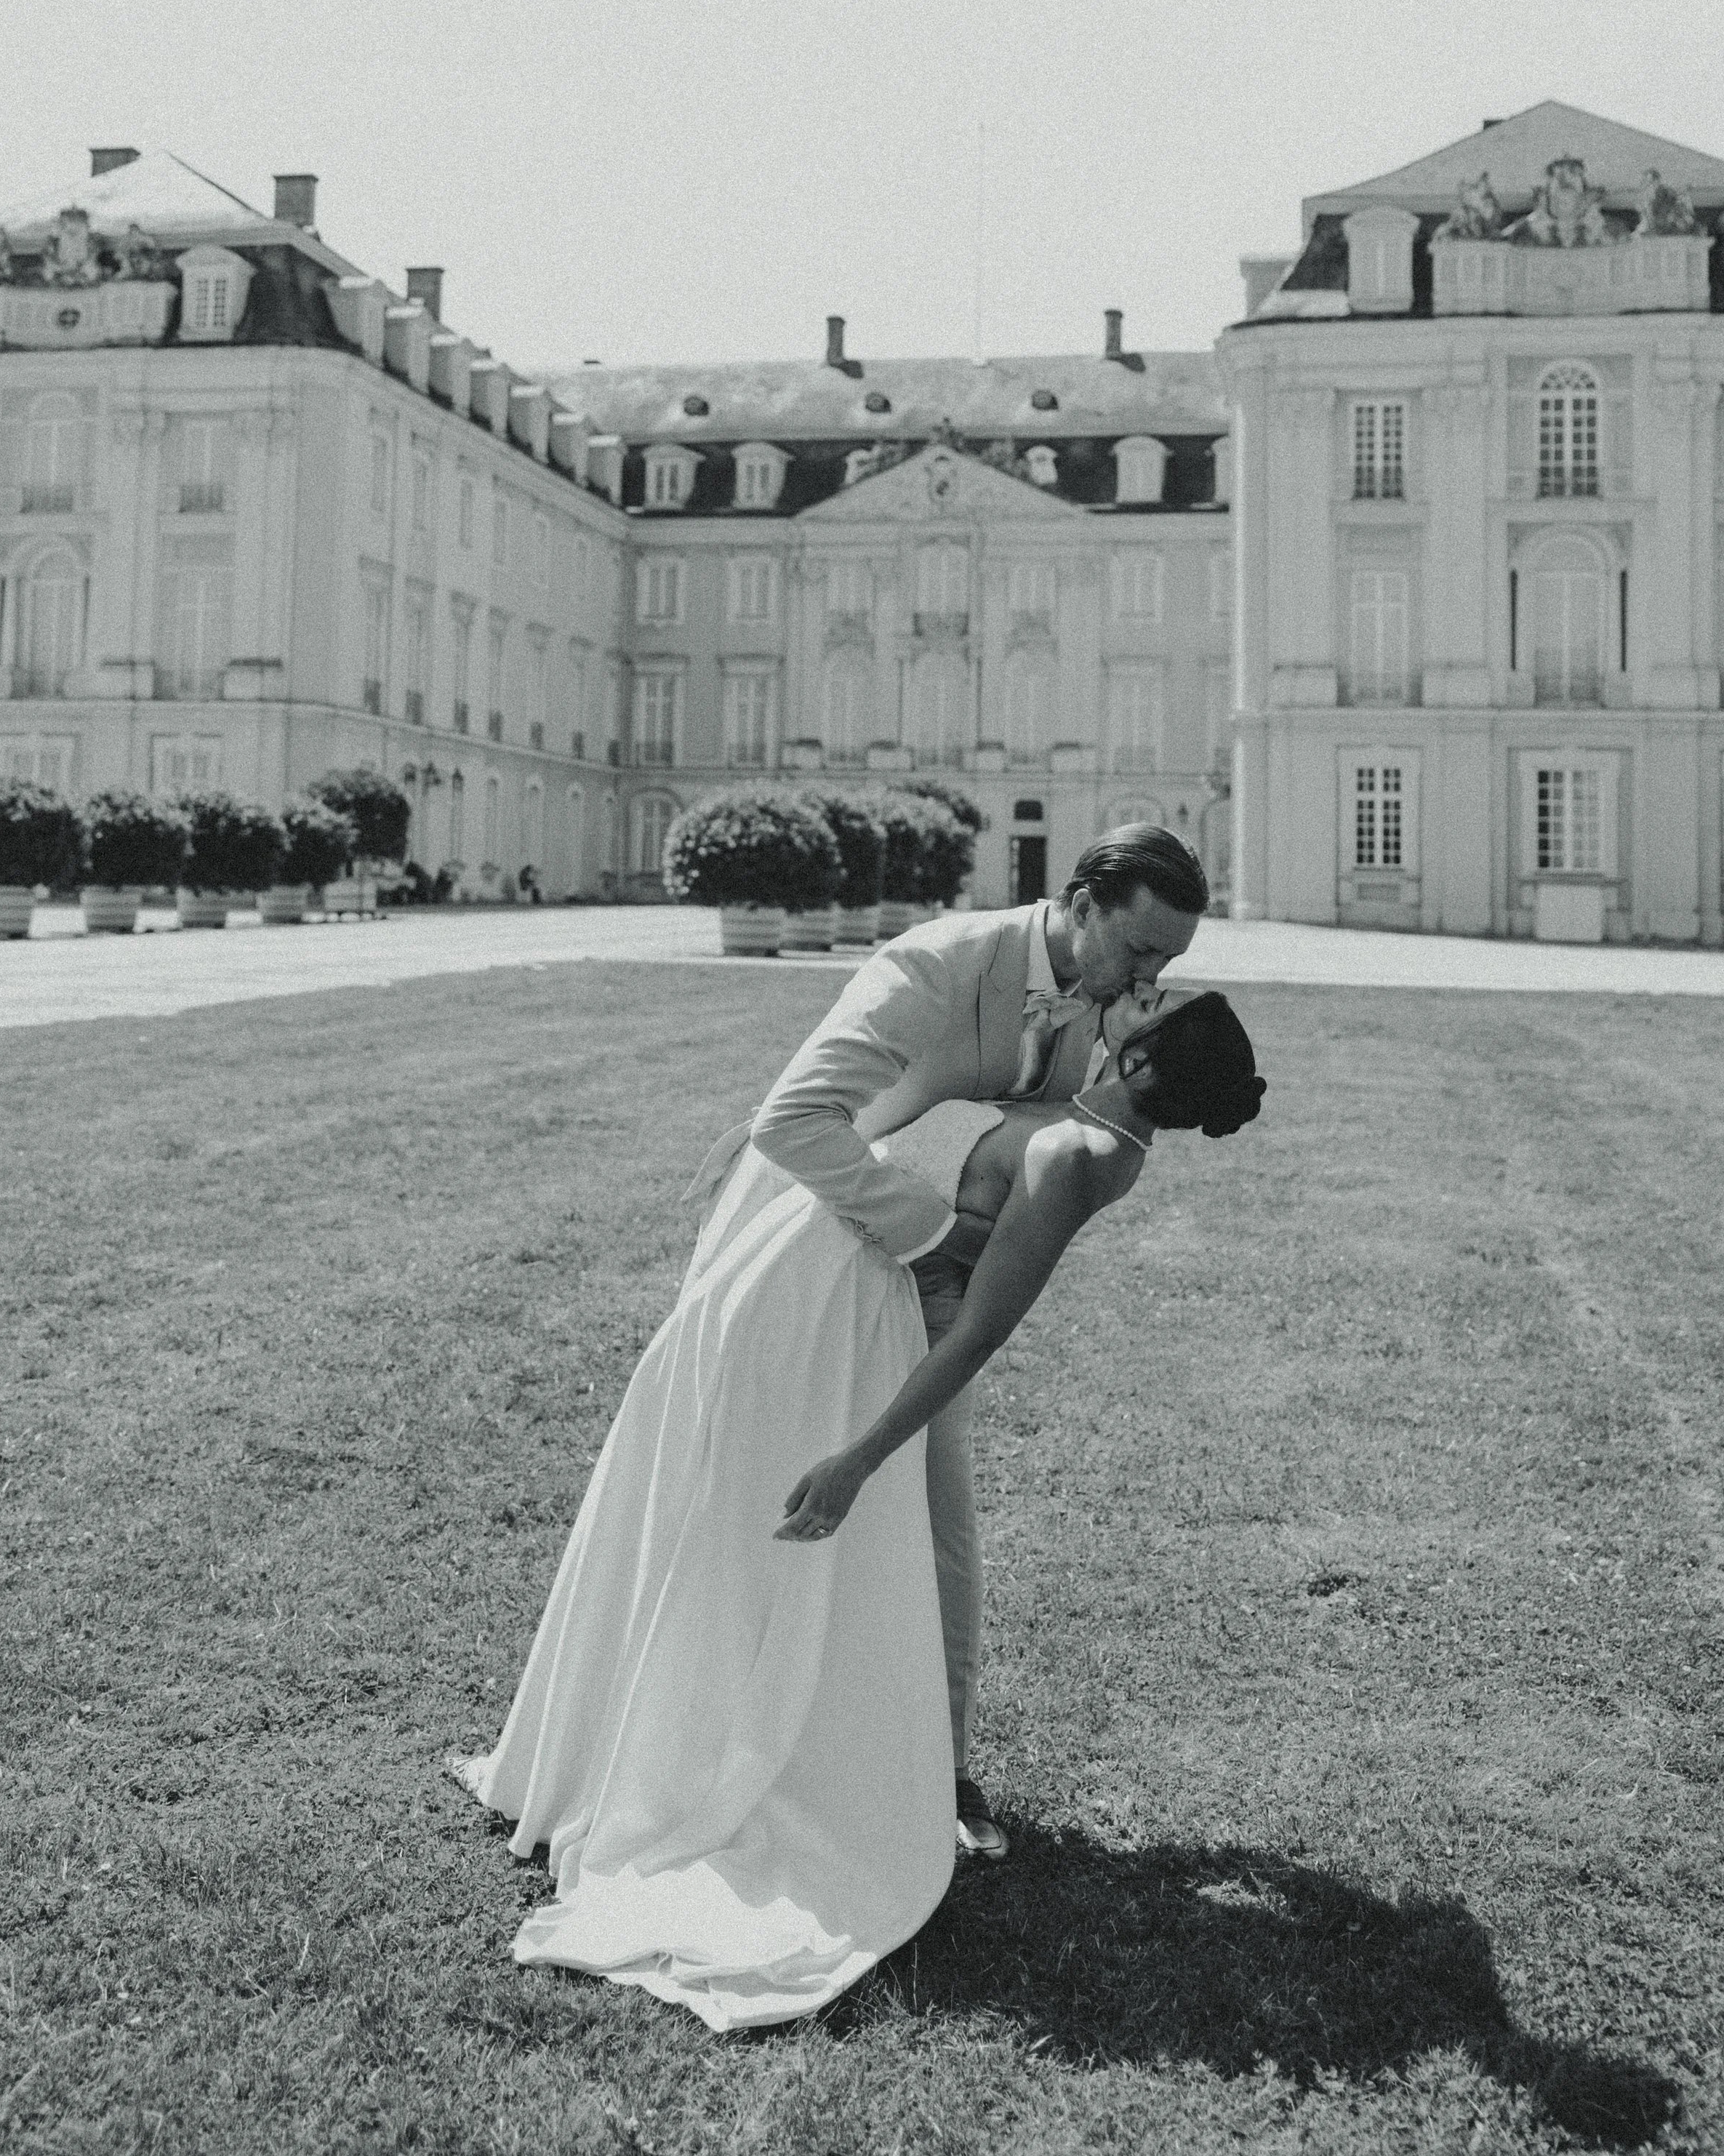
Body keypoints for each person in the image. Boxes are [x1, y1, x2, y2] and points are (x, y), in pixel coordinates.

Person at [455, 830, 1264, 2030]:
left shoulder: (1110, 1045)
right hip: (824, 1242)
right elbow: (793, 1121)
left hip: (913, 1301)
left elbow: (1056, 1162)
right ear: (1083, 904)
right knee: (745, 1509)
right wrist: (929, 1243)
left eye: (1165, 970)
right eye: (1141, 953)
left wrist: (952, 1274)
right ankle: (689, 1749)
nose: (1145, 985)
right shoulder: (933, 966)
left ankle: (916, 1769)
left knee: (929, 1531)